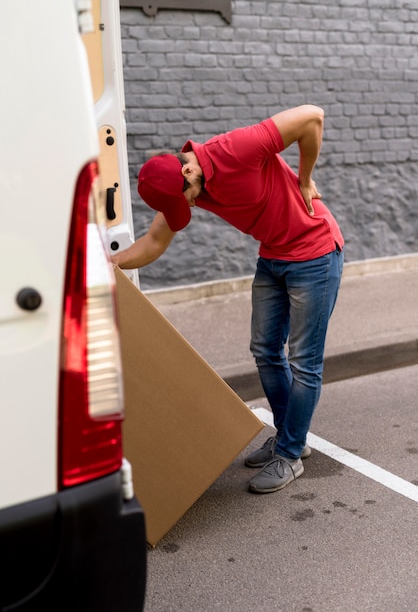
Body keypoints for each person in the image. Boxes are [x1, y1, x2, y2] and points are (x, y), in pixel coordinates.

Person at [111, 105, 344, 494]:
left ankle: (288, 455)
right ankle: (292, 437)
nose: (186, 205)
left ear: (187, 170)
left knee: (303, 361)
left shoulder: (235, 149)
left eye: (184, 198)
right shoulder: (183, 188)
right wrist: (109, 263)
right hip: (273, 256)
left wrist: (305, 179)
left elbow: (311, 117)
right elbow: (153, 243)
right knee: (265, 351)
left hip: (315, 254)